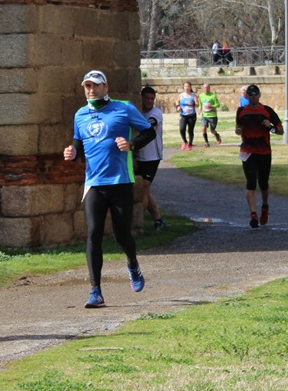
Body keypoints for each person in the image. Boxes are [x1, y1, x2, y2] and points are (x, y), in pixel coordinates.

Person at [64, 70, 155, 308]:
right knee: (93, 233)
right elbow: (77, 144)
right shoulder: (80, 114)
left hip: (120, 181)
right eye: (87, 87)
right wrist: (72, 153)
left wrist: (131, 144)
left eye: (95, 86)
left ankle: (133, 264)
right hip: (94, 183)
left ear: (106, 87)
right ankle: (96, 291)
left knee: (121, 235)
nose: (91, 91)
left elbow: (148, 131)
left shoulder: (123, 108)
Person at [235, 84, 282, 228]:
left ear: (260, 95)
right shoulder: (241, 111)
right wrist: (238, 130)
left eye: (255, 93)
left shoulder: (267, 110)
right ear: (246, 96)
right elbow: (237, 128)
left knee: (263, 183)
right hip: (248, 152)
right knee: (250, 183)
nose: (253, 96)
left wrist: (271, 127)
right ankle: (253, 214)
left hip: (264, 152)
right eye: (250, 94)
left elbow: (280, 131)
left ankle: (265, 205)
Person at [133, 85, 168, 231]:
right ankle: (158, 220)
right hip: (139, 156)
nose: (149, 101)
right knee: (144, 190)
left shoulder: (156, 112)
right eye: (146, 98)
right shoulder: (138, 112)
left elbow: (151, 124)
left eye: (152, 98)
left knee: (143, 190)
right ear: (141, 98)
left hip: (152, 157)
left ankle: (138, 224)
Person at [197, 82, 222, 147]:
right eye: (205, 88)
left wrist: (212, 106)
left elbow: (218, 105)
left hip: (212, 116)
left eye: (207, 88)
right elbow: (200, 105)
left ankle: (217, 135)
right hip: (204, 115)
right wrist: (199, 110)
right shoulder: (201, 96)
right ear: (203, 88)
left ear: (209, 88)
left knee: (212, 130)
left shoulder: (213, 95)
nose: (206, 89)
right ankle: (206, 143)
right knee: (203, 128)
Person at [177, 81, 197, 150]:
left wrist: (193, 104)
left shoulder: (193, 95)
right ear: (183, 87)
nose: (186, 88)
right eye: (185, 86)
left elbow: (197, 104)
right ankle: (185, 141)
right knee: (182, 129)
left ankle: (190, 144)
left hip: (192, 116)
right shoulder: (181, 95)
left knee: (190, 130)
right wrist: (178, 106)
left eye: (188, 86)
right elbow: (177, 101)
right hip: (183, 115)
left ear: (190, 87)